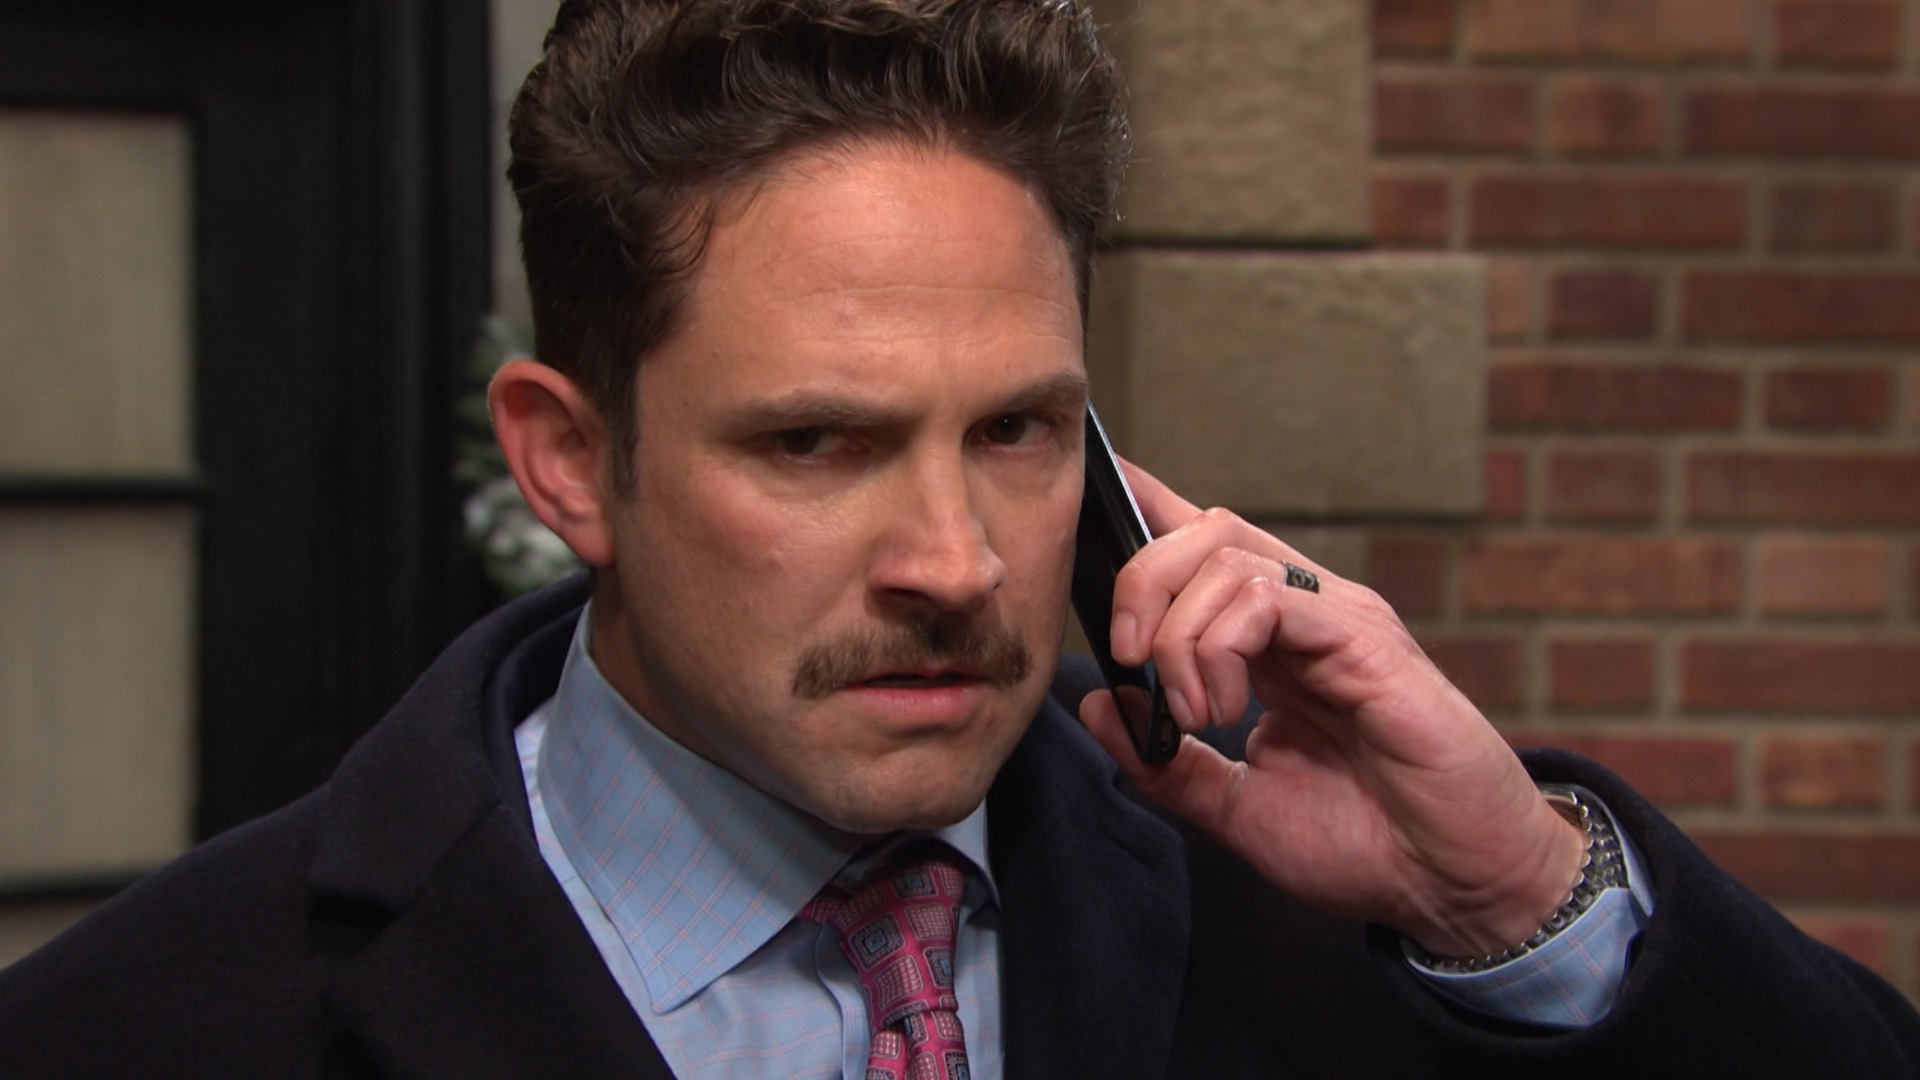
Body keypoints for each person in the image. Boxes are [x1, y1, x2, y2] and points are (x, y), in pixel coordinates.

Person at [3, 0, 1917, 1075]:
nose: (957, 560)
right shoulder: (144, 1029)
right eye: (815, 441)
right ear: (569, 462)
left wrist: (1515, 898)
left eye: (1015, 430)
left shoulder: (1336, 925)